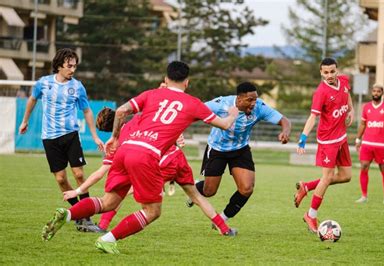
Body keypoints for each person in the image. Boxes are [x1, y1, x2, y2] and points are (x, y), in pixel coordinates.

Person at [41, 61, 239, 254]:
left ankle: (67, 214)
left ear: (165, 78)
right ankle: (107, 239)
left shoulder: (151, 94)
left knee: (108, 201)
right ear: (187, 82)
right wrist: (233, 114)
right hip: (147, 155)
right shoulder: (193, 103)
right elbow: (225, 125)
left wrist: (114, 137)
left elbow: (121, 111)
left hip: (125, 150)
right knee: (153, 211)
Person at [63, 107, 236, 236]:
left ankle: (104, 229)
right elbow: (164, 123)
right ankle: (224, 229)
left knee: (125, 194)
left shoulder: (116, 143)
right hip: (176, 157)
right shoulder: (138, 120)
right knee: (196, 197)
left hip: (155, 163)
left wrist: (78, 191)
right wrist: (177, 136)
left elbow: (99, 173)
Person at [19, 48, 104, 232]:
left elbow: (87, 111)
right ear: (59, 66)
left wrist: (95, 136)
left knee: (79, 175)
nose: (72, 70)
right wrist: (25, 121)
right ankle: (78, 214)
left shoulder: (78, 87)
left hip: (71, 135)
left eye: (75, 66)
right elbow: (32, 100)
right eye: (69, 66)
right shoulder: (43, 83)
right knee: (60, 179)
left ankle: (87, 217)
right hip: (49, 138)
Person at [190, 81, 291, 227]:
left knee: (246, 189)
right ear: (239, 99)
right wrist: (177, 130)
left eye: (255, 99)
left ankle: (222, 219)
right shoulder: (221, 104)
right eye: (250, 100)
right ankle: (193, 187)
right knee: (209, 191)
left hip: (240, 150)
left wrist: (285, 131)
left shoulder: (259, 107)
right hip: (217, 149)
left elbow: (284, 120)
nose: (253, 104)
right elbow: (195, 111)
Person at [293, 57, 354, 233]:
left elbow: (347, 93)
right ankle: (311, 215)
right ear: (321, 73)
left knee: (346, 176)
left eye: (332, 71)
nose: (329, 75)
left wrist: (350, 110)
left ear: (337, 71)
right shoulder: (321, 92)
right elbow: (313, 117)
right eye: (326, 72)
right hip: (328, 141)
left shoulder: (343, 81)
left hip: (341, 137)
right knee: (327, 178)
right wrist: (303, 138)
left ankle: (307, 186)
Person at [354, 84, 384, 204]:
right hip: (367, 143)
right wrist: (358, 139)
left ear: (382, 93)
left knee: (383, 169)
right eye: (374, 91)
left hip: (381, 145)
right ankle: (364, 196)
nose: (375, 93)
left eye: (378, 91)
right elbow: (363, 124)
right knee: (364, 167)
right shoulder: (366, 107)